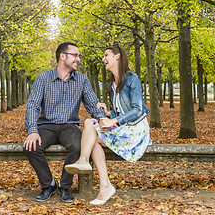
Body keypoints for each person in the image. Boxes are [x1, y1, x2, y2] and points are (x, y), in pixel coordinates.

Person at [65, 44, 152, 205]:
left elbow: (138, 110)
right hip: (123, 127)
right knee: (90, 125)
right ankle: (103, 183)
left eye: (106, 55)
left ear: (117, 57)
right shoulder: (110, 84)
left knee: (90, 132)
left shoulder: (132, 79)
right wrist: (108, 113)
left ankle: (92, 170)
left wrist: (113, 120)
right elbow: (120, 112)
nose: (103, 59)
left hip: (136, 131)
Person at [24, 42, 105, 203]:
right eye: (75, 55)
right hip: (46, 125)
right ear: (63, 56)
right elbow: (32, 105)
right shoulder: (43, 78)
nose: (78, 59)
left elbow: (92, 104)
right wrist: (32, 130)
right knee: (31, 146)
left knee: (79, 145)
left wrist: (104, 119)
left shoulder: (82, 79)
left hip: (69, 126)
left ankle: (64, 186)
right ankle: (48, 184)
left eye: (79, 56)